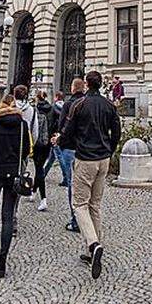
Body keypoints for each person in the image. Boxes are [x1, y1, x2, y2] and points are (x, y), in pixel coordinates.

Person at [55, 71, 121, 280]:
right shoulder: (109, 105)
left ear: (86, 84)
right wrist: (109, 150)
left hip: (86, 159)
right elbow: (116, 132)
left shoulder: (79, 105)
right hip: (103, 160)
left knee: (80, 205)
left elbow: (68, 132)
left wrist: (62, 142)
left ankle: (93, 242)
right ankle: (92, 251)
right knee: (95, 205)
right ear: (101, 85)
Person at [0, 94, 31, 279]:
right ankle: (2, 262)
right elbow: (26, 151)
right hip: (13, 175)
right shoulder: (22, 124)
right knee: (8, 217)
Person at [55, 80, 87, 233]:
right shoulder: (87, 103)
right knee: (84, 184)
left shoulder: (68, 104)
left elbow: (62, 127)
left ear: (73, 88)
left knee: (72, 185)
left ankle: (75, 220)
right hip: (84, 149)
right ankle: (85, 217)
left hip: (69, 148)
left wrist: (60, 142)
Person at [29, 90, 55, 212]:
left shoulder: (33, 110)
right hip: (47, 143)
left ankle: (43, 198)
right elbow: (56, 124)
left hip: (36, 143)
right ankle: (33, 192)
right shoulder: (52, 109)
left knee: (39, 168)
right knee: (39, 167)